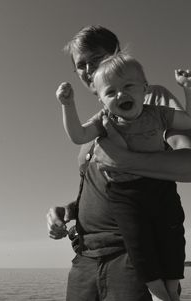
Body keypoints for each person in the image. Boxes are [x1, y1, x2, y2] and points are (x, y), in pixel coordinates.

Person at [47, 25, 191, 301]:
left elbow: (188, 164)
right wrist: (66, 211)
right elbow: (104, 191)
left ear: (116, 54)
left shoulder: (150, 99)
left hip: (133, 257)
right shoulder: (93, 127)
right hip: (84, 260)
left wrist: (125, 160)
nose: (88, 69)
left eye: (96, 58)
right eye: (81, 64)